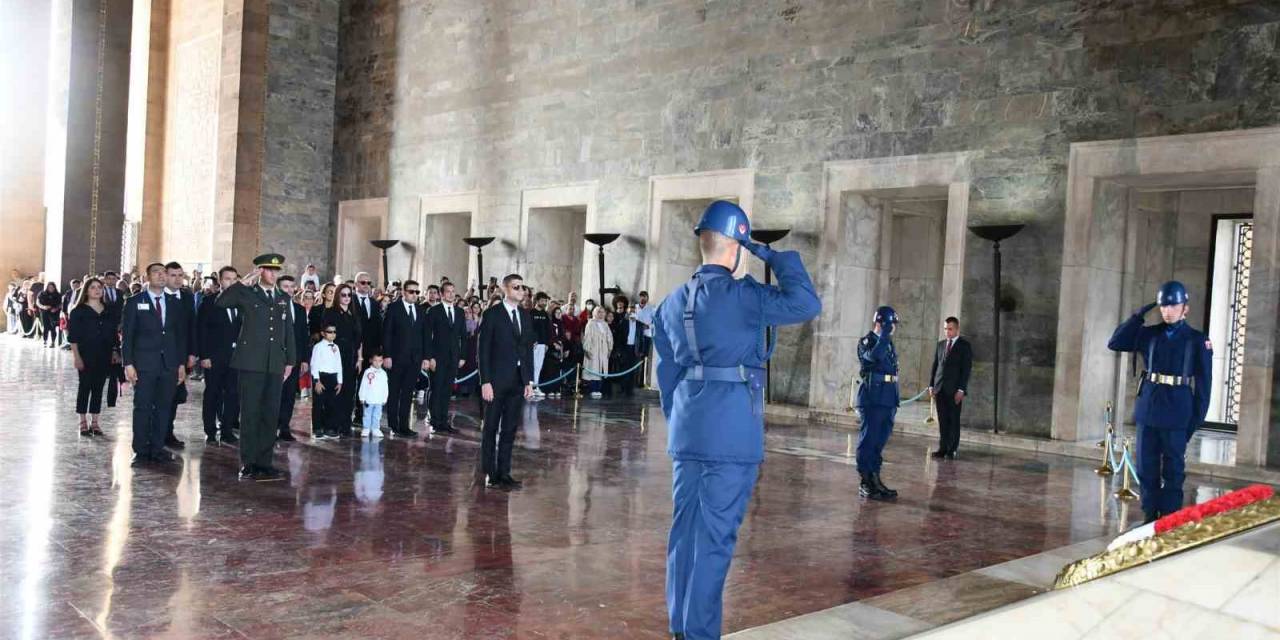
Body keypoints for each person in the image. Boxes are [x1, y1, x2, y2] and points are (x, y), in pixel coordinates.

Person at [652, 200, 821, 640]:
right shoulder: (743, 297)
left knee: (684, 534)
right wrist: (774, 256)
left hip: (688, 432)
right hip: (731, 436)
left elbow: (666, 373)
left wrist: (681, 419)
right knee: (714, 540)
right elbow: (805, 302)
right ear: (738, 244)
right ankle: (699, 635)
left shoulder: (672, 302)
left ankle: (680, 627)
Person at [1107, 281, 1212, 524]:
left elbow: (1204, 385)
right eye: (1164, 306)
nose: (1167, 311)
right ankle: (1148, 513)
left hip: (1178, 410)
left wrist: (1195, 421)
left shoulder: (1197, 340)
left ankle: (1169, 516)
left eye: (1173, 305)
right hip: (1149, 408)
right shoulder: (1149, 334)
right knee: (1146, 467)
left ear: (1185, 308)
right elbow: (1115, 342)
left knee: (1173, 469)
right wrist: (1137, 316)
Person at [215, 254, 296, 481]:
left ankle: (265, 462)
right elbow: (221, 302)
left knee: (270, 414)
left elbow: (287, 330)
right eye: (269, 270)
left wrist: (290, 360)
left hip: (275, 364)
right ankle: (248, 463)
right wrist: (241, 283)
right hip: (251, 362)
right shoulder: (247, 294)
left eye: (276, 270)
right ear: (259, 271)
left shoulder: (282, 298)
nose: (273, 274)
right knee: (250, 413)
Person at [121, 263, 185, 467]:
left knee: (164, 407)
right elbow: (127, 336)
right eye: (156, 272)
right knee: (143, 407)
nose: (161, 275)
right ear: (147, 277)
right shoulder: (135, 302)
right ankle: (140, 450)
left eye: (163, 272)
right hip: (144, 364)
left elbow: (178, 337)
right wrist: (128, 363)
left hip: (169, 364)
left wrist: (181, 364)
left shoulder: (174, 303)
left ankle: (158, 447)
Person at [477, 273, 535, 490]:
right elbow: (483, 351)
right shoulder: (492, 314)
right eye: (516, 287)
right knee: (491, 428)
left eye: (522, 287)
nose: (521, 291)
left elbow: (527, 350)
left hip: (517, 382)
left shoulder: (525, 315)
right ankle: (490, 473)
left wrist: (528, 381)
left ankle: (504, 472)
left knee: (510, 428)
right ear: (505, 289)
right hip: (495, 382)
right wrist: (486, 382)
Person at [857, 305, 902, 501]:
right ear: (881, 323)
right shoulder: (867, 342)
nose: (894, 329)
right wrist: (884, 335)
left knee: (880, 440)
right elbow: (872, 358)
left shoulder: (888, 343)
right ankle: (866, 481)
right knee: (869, 439)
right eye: (891, 325)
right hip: (873, 397)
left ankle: (876, 478)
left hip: (888, 397)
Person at [198, 266, 242, 445]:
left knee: (232, 394)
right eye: (227, 279)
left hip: (236, 357)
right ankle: (210, 430)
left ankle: (227, 431)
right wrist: (204, 355)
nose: (230, 282)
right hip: (214, 357)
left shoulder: (241, 302)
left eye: (233, 279)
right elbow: (201, 330)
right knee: (212, 393)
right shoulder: (209, 301)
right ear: (220, 281)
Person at [68, 277, 116, 436]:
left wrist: (115, 351)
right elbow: (73, 337)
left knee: (98, 387)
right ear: (86, 290)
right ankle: (82, 420)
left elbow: (113, 333)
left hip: (104, 353)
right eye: (93, 287)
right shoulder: (78, 311)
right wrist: (76, 357)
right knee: (85, 386)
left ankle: (95, 421)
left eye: (99, 287)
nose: (97, 290)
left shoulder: (108, 310)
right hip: (85, 353)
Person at [381, 279, 427, 437]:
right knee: (394, 392)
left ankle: (404, 425)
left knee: (408, 393)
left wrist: (424, 357)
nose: (415, 295)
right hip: (396, 357)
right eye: (411, 291)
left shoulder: (420, 310)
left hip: (414, 359)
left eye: (417, 292)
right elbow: (387, 333)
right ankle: (393, 425)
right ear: (404, 292)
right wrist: (387, 355)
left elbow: (423, 335)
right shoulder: (394, 308)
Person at [162, 262, 199, 450]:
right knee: (160, 397)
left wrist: (192, 352)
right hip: (161, 357)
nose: (177, 279)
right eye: (173, 275)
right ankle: (158, 433)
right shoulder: (158, 297)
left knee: (175, 396)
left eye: (180, 275)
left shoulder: (186, 297)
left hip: (182, 355)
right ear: (165, 276)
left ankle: (168, 432)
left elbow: (192, 326)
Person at [425, 281, 467, 434]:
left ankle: (443, 421)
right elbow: (427, 336)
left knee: (447, 390)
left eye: (453, 291)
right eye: (448, 291)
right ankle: (434, 421)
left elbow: (463, 336)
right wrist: (430, 357)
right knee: (436, 389)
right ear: (442, 294)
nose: (451, 294)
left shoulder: (460, 312)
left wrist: (462, 356)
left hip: (453, 357)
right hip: (437, 357)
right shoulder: (433, 311)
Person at [928, 316, 972, 459]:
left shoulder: (964, 346)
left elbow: (966, 370)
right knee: (942, 420)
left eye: (950, 329)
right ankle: (943, 448)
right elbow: (935, 366)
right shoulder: (941, 345)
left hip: (954, 390)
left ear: (957, 329)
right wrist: (931, 385)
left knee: (953, 420)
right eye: (946, 329)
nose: (947, 332)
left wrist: (961, 389)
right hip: (940, 388)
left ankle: (952, 449)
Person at [322, 283, 362, 437]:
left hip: (351, 357)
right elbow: (326, 335)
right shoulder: (330, 313)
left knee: (349, 391)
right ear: (338, 296)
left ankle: (345, 424)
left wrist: (359, 357)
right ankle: (331, 425)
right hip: (334, 356)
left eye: (349, 295)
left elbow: (359, 338)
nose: (346, 298)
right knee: (334, 390)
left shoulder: (354, 314)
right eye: (343, 295)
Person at [278, 275, 311, 441]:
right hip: (275, 360)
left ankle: (284, 428)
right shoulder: (273, 307)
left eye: (292, 286)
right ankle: (270, 428)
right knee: (275, 395)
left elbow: (304, 336)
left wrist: (305, 359)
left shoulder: (299, 309)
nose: (289, 290)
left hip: (295, 359)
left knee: (290, 395)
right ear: (278, 288)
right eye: (285, 286)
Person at [352, 272, 382, 427]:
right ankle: (348, 413)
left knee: (367, 382)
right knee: (351, 382)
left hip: (370, 350)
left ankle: (361, 413)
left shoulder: (375, 303)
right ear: (356, 284)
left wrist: (378, 350)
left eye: (369, 283)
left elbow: (378, 327)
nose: (366, 285)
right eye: (363, 282)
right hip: (353, 349)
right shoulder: (349, 300)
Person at [310, 324, 345, 440]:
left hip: (333, 377)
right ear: (323, 333)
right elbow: (314, 364)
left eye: (334, 332)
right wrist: (316, 381)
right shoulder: (318, 347)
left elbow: (339, 364)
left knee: (332, 404)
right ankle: (317, 428)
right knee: (319, 404)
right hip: (321, 377)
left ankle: (329, 428)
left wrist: (340, 381)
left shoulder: (336, 347)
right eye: (329, 332)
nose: (333, 334)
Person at [358, 353, 390, 438]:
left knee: (377, 415)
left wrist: (384, 398)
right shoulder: (367, 372)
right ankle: (366, 428)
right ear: (371, 360)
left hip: (379, 400)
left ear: (382, 361)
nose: (377, 363)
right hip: (369, 399)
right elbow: (363, 385)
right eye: (375, 360)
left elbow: (385, 387)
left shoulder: (383, 373)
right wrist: (362, 397)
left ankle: (375, 428)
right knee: (367, 414)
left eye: (379, 361)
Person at [582, 307, 612, 398]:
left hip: (603, 350)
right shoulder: (591, 323)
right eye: (599, 312)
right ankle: (593, 389)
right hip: (594, 350)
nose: (601, 314)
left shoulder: (605, 324)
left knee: (601, 369)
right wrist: (587, 349)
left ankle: (599, 389)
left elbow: (609, 337)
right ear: (595, 313)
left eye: (602, 312)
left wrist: (610, 348)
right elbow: (587, 337)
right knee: (593, 369)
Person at [36, 281, 61, 347]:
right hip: (45, 312)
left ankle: (53, 342)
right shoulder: (42, 293)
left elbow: (60, 304)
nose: (51, 288)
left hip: (54, 313)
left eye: (52, 287)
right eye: (49, 287)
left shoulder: (58, 295)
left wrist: (55, 309)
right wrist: (43, 307)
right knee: (45, 327)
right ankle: (45, 340)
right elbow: (38, 302)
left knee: (53, 327)